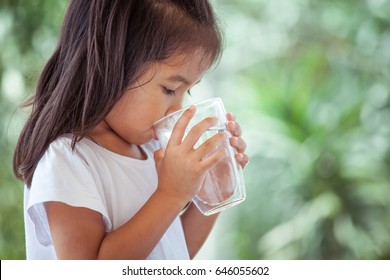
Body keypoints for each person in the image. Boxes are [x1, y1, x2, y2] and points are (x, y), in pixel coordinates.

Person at [13, 0, 249, 260]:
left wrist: (218, 190)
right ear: (110, 63)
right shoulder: (68, 160)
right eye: (170, 89)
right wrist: (171, 195)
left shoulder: (151, 149)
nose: (177, 109)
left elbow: (172, 253)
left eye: (188, 91)